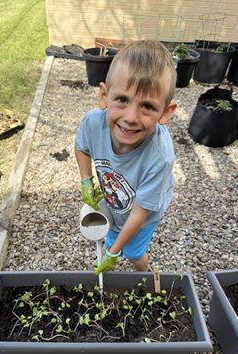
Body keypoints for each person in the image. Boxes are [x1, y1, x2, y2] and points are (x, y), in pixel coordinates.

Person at [75, 40, 177, 275]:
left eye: (148, 107)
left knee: (132, 252)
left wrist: (113, 253)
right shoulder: (93, 123)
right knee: (112, 232)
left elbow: (140, 211)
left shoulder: (160, 157)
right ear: (104, 96)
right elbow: (82, 147)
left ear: (165, 112)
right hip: (116, 198)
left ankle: (145, 276)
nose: (131, 117)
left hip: (145, 212)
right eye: (122, 100)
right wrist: (86, 181)